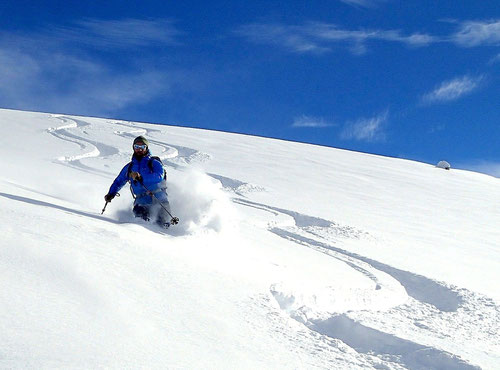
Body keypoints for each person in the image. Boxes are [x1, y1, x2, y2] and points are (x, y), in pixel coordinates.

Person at [104, 136, 177, 228]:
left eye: (142, 147)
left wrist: (141, 178)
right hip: (141, 201)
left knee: (162, 224)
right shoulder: (129, 167)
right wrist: (111, 193)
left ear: (146, 148)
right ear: (133, 148)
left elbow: (159, 176)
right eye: (136, 147)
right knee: (140, 224)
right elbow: (119, 181)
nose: (139, 150)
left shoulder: (153, 163)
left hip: (159, 198)